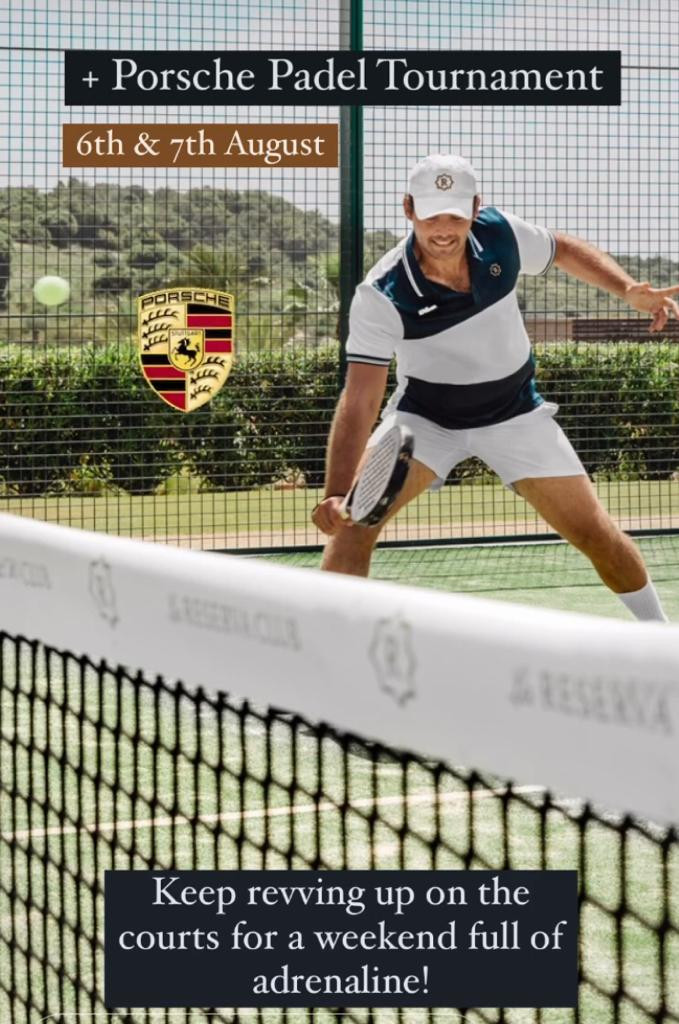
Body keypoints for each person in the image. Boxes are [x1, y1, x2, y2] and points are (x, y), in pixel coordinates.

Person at [312, 153, 679, 622]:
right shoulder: (381, 294)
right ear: (409, 210)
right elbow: (360, 398)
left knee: (595, 533)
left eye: (454, 215)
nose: (443, 229)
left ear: (475, 208)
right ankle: (328, 651)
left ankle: (660, 637)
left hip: (516, 413)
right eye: (430, 215)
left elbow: (562, 249)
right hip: (425, 420)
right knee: (353, 526)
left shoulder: (500, 233)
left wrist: (626, 289)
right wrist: (336, 491)